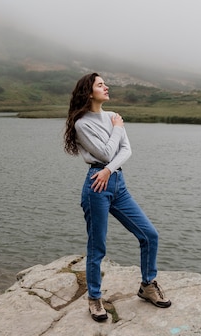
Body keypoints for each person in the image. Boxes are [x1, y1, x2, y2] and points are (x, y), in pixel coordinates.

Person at [63, 72, 171, 322]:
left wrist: (110, 168)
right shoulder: (83, 124)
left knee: (149, 234)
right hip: (96, 187)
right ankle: (94, 298)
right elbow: (106, 151)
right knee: (97, 245)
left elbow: (126, 151)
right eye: (101, 85)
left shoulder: (112, 117)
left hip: (116, 183)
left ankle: (147, 286)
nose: (106, 87)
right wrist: (118, 131)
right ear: (89, 92)